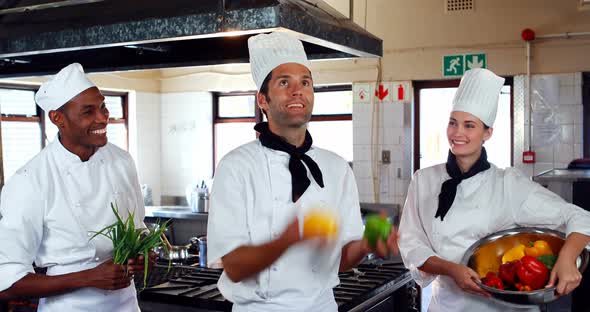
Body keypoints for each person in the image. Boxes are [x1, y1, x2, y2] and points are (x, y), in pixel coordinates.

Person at [206, 32, 398, 312]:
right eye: (285, 82)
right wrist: (287, 240)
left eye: (305, 82)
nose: (298, 91)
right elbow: (234, 267)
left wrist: (367, 245)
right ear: (262, 99)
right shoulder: (236, 166)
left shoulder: (336, 167)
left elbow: (342, 260)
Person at [398, 68, 590, 312]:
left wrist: (566, 259)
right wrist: (452, 269)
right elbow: (412, 244)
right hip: (447, 305)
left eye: (469, 126)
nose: (458, 133)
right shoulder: (423, 180)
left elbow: (580, 218)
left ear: (487, 133)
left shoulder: (507, 183)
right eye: (453, 123)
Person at [0, 63, 152, 311]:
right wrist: (88, 277)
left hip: (125, 305)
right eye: (88, 112)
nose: (103, 117)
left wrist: (144, 255)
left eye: (103, 106)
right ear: (57, 118)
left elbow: (138, 229)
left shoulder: (122, 161)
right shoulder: (31, 179)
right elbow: (6, 279)